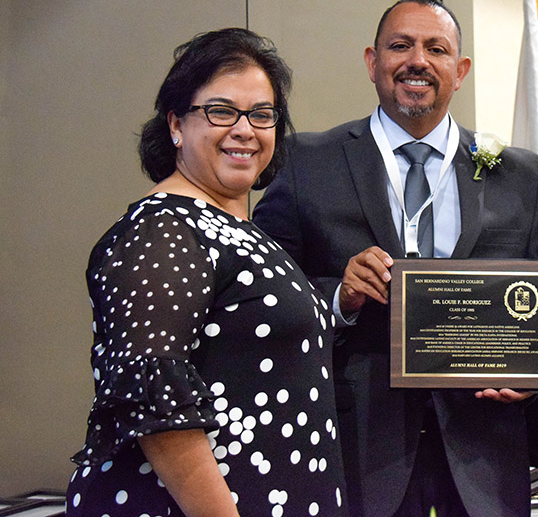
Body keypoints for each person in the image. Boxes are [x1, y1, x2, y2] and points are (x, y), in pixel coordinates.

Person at [253, 0, 538, 517]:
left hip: (483, 457)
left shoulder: (518, 173)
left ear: (459, 72)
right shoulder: (307, 161)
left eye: (436, 48)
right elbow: (261, 294)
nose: (418, 60)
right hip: (355, 448)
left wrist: (535, 367)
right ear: (373, 62)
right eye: (401, 45)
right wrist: (338, 297)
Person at [67, 28, 346, 516]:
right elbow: (156, 409)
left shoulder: (244, 230)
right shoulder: (164, 229)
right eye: (221, 111)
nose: (245, 129)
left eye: (262, 114)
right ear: (176, 124)